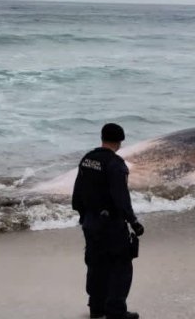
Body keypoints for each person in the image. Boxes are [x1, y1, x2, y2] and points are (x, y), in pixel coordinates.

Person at [72, 123, 145, 319]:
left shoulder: (88, 159)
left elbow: (77, 192)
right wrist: (134, 221)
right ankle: (116, 311)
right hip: (111, 224)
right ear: (120, 141)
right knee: (121, 266)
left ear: (102, 138)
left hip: (90, 222)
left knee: (95, 264)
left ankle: (96, 308)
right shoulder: (116, 164)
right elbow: (120, 197)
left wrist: (83, 216)